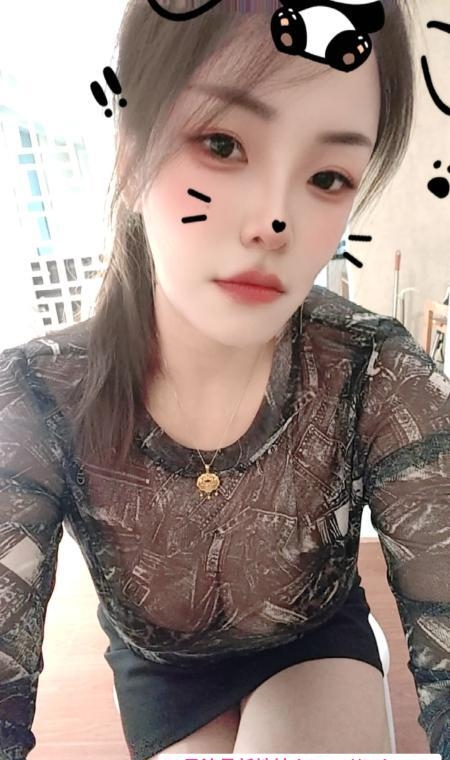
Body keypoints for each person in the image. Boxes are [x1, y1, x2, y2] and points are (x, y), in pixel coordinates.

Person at [0, 0, 449, 758]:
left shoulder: (375, 372)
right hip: (161, 668)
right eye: (222, 143)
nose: (273, 221)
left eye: (328, 176)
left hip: (312, 636)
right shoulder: (37, 396)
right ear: (130, 152)